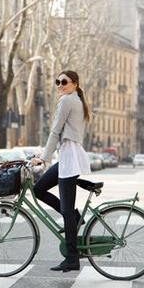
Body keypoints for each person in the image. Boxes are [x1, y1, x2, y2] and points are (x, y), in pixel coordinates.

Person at [31, 70, 91, 272]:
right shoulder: (76, 100)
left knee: (66, 210)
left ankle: (73, 258)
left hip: (69, 157)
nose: (60, 85)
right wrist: (45, 154)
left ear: (74, 83)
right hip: (68, 156)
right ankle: (76, 218)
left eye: (64, 82)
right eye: (57, 81)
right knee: (39, 189)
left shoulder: (67, 101)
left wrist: (44, 157)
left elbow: (55, 131)